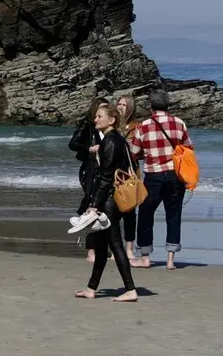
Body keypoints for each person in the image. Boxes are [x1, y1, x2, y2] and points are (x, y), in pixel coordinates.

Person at [74, 103, 138, 302]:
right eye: (96, 116)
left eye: (100, 116)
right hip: (112, 198)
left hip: (110, 200)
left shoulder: (110, 141)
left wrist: (94, 204)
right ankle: (91, 288)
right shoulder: (117, 140)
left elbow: (106, 177)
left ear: (111, 120)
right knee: (101, 246)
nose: (96, 119)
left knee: (115, 243)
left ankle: (130, 289)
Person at [128, 89, 192, 270]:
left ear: (150, 105)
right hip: (175, 175)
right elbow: (188, 148)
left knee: (146, 215)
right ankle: (170, 259)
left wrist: (146, 154)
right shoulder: (179, 123)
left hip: (153, 176)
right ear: (168, 104)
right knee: (174, 215)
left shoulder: (144, 126)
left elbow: (133, 153)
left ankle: (145, 257)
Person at [68, 97, 107, 262]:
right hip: (90, 170)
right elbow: (73, 144)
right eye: (101, 109)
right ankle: (91, 250)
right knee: (92, 205)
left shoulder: (109, 129)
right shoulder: (87, 126)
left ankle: (102, 248)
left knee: (104, 209)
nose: (103, 112)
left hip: (104, 171)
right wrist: (89, 149)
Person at [115, 95, 139, 260]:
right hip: (113, 173)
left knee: (130, 213)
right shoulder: (111, 125)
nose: (120, 107)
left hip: (130, 174)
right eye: (119, 104)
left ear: (130, 108)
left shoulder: (136, 128)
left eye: (124, 105)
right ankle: (115, 249)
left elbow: (140, 152)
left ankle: (129, 247)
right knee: (113, 212)